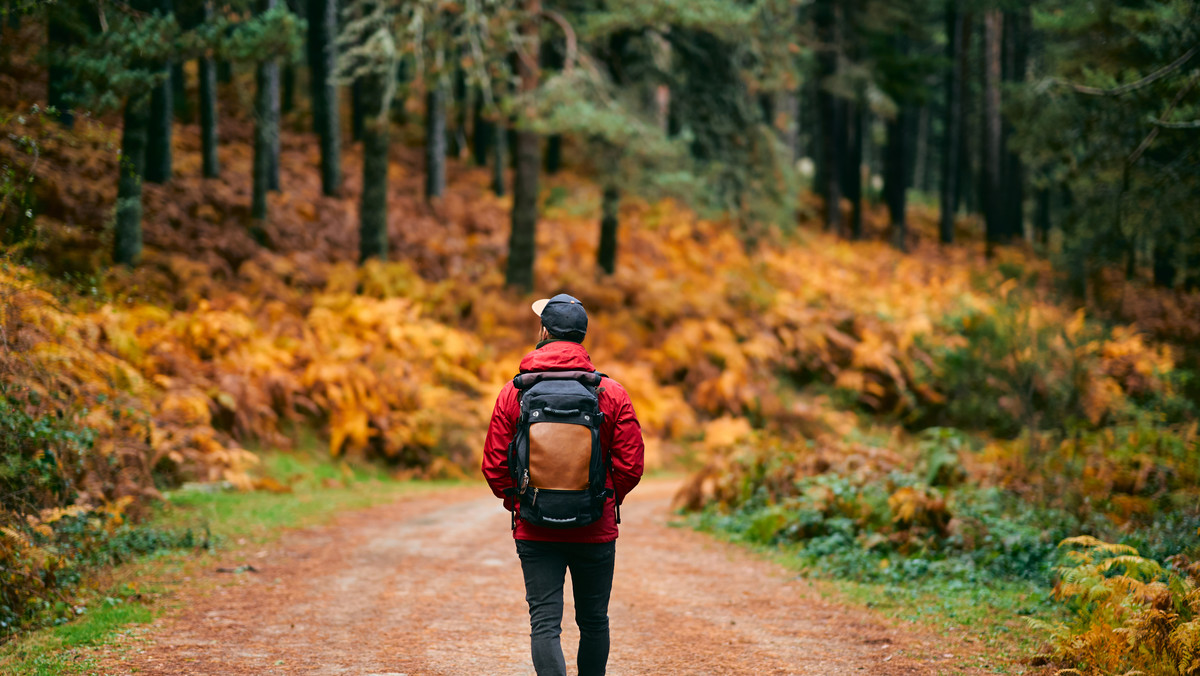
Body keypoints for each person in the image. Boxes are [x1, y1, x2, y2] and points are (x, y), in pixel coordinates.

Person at [482, 293, 645, 676]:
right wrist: (601, 498)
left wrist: (523, 501)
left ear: (544, 331)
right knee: (594, 622)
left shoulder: (515, 392)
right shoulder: (611, 393)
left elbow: (493, 465)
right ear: (581, 338)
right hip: (596, 527)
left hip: (535, 528)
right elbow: (631, 465)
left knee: (544, 624)